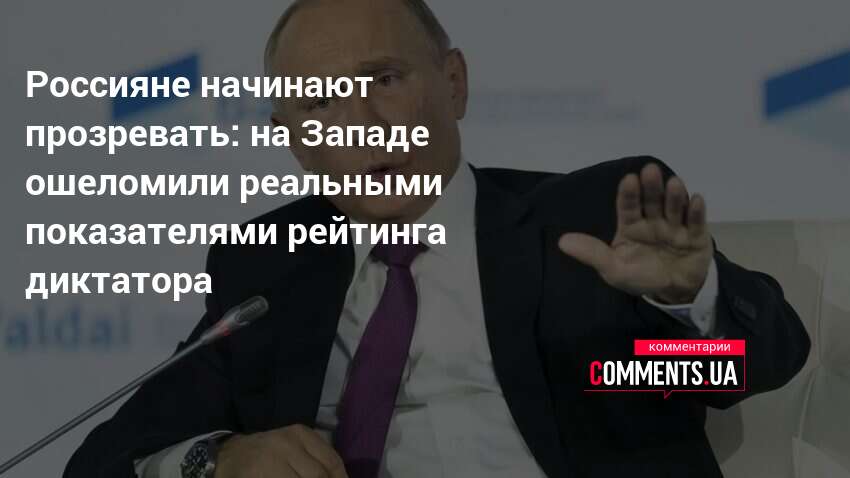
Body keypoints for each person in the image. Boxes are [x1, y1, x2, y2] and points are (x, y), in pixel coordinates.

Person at [63, 0, 810, 477]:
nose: (360, 123)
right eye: (319, 101)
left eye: (384, 80)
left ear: (453, 83)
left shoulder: (589, 219)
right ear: (291, 138)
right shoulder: (269, 265)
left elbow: (751, 368)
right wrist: (217, 461)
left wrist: (692, 301)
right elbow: (105, 459)